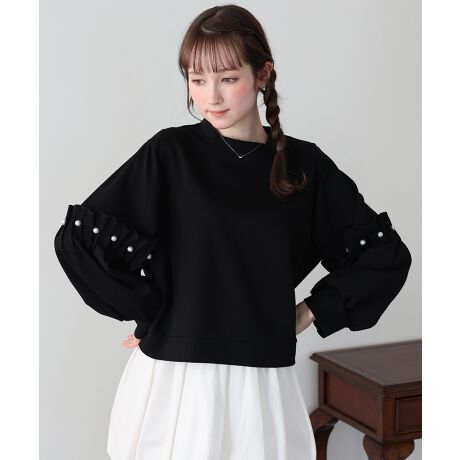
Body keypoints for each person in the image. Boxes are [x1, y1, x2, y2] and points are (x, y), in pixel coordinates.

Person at [53, 5, 412, 460]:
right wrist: (152, 311)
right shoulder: (170, 154)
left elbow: (384, 257)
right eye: (197, 79)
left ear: (263, 74)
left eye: (227, 78)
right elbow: (82, 239)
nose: (211, 97)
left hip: (259, 386)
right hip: (175, 381)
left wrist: (308, 313)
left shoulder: (306, 168)